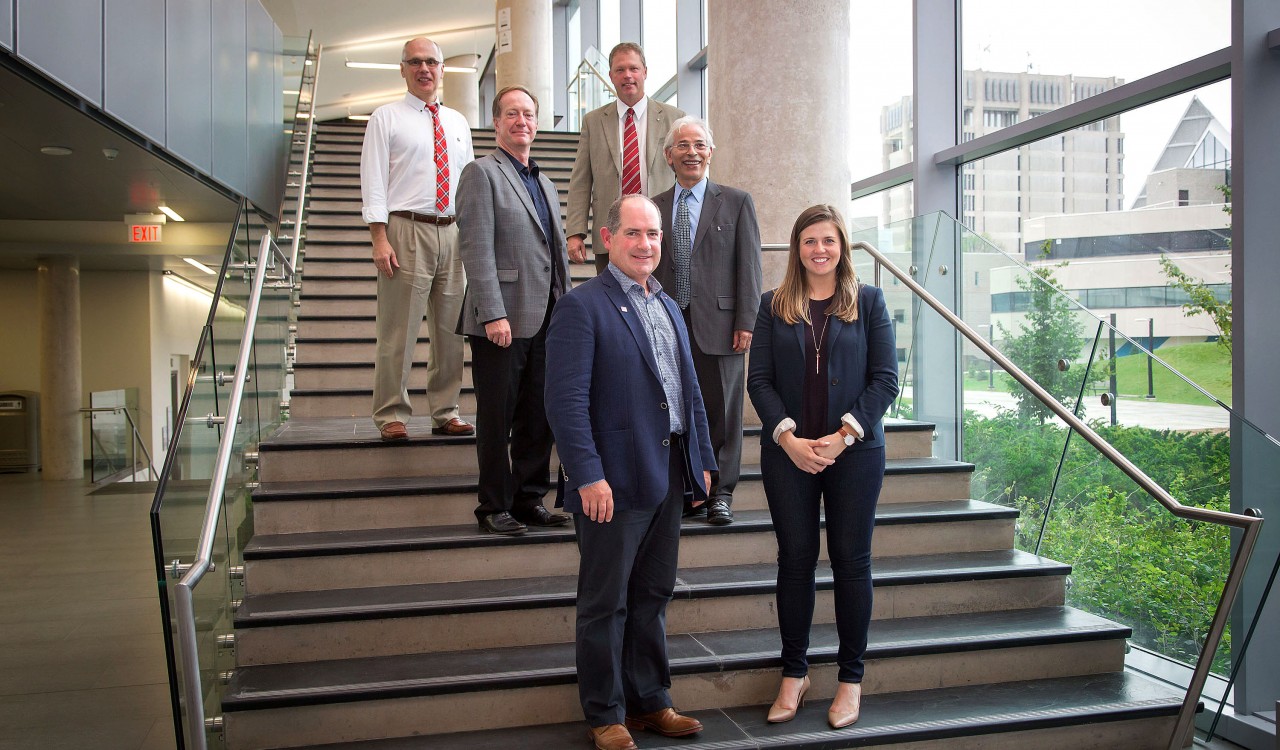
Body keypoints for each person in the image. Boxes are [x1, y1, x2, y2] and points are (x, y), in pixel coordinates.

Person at [546, 194, 715, 750]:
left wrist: (703, 460)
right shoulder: (582, 306)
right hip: (611, 482)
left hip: (666, 471)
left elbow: (688, 390)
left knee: (653, 594)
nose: (646, 245)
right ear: (607, 238)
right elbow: (565, 402)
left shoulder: (666, 304)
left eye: (654, 236)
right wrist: (586, 475)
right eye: (635, 234)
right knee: (605, 602)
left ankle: (650, 701)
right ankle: (605, 713)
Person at [745, 204, 899, 729]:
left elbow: (885, 381)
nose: (819, 250)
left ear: (842, 247)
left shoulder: (870, 302)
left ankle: (850, 681)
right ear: (797, 248)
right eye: (809, 241)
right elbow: (758, 381)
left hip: (853, 454)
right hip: (789, 455)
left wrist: (843, 435)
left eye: (828, 241)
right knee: (795, 561)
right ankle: (795, 673)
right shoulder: (772, 305)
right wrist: (787, 437)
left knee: (852, 564)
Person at [456, 86, 572, 535]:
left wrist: (567, 308)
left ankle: (528, 499)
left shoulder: (542, 180)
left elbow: (555, 251)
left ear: (536, 123)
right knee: (496, 416)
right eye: (512, 114)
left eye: (528, 114)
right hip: (501, 319)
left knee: (537, 414)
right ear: (497, 122)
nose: (521, 121)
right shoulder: (481, 173)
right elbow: (476, 248)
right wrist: (492, 313)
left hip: (547, 316)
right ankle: (493, 505)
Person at [360, 37, 474, 441]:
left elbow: (468, 183)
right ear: (403, 69)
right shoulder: (385, 117)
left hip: (453, 231)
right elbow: (374, 181)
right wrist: (379, 237)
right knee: (398, 331)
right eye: (415, 62)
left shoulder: (458, 122)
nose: (424, 69)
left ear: (442, 70)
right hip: (405, 229)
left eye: (431, 62)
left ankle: (445, 410)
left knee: (451, 333)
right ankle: (391, 411)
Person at [652, 116, 761, 525]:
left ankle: (721, 492)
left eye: (699, 144)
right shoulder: (655, 207)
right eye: (682, 145)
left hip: (721, 327)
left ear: (710, 153)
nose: (691, 152)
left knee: (723, 412)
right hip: (666, 324)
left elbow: (749, 266)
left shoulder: (735, 202)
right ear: (669, 156)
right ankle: (685, 488)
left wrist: (746, 321)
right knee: (673, 409)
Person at [566, 42, 685, 274]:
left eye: (634, 68)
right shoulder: (593, 121)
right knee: (611, 305)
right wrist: (575, 232)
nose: (627, 75)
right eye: (620, 70)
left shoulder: (674, 118)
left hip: (661, 234)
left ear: (645, 72)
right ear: (610, 75)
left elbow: (687, 176)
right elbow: (581, 180)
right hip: (613, 234)